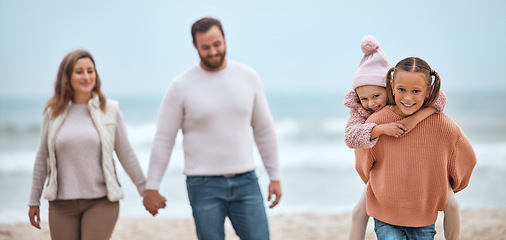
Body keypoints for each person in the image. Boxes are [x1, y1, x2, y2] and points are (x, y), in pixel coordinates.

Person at [142, 17, 282, 240]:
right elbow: (163, 139)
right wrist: (152, 187)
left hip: (246, 180)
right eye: (205, 47)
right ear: (195, 46)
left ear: (225, 39)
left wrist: (275, 176)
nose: (213, 51)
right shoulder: (180, 86)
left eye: (217, 44)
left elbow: (263, 130)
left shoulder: (248, 77)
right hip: (202, 184)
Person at [344, 36, 460, 240]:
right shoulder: (360, 111)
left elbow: (439, 99)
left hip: (424, 177)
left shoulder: (399, 95)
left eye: (376, 96)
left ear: (387, 88)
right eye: (364, 98)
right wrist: (381, 128)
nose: (371, 103)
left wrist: (416, 119)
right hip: (384, 177)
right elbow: (351, 137)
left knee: (452, 205)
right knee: (358, 212)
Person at [27, 50, 147, 240]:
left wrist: (146, 191)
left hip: (101, 201)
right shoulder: (52, 112)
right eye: (79, 71)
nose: (86, 76)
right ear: (67, 77)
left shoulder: (110, 109)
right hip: (61, 205)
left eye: (90, 71)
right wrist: (34, 201)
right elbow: (42, 159)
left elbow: (127, 154)